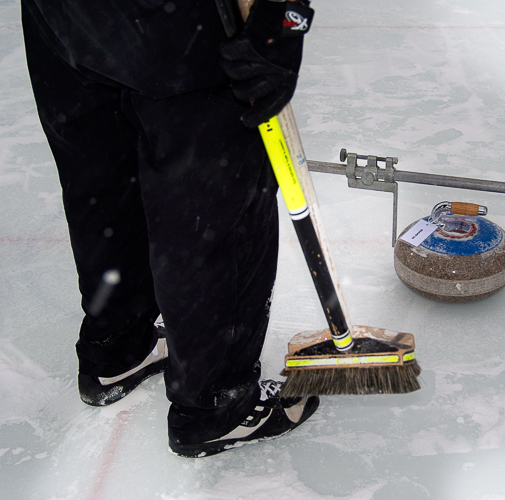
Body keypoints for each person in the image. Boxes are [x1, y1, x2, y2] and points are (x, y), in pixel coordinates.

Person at [21, 0, 318, 458]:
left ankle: (119, 345)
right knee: (212, 192)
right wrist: (280, 20)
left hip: (62, 17)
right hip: (179, 21)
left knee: (102, 172)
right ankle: (219, 402)